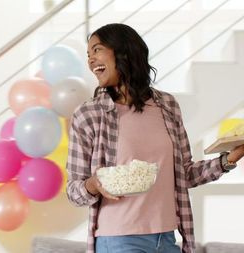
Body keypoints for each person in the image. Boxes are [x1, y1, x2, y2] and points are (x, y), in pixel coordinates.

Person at [66, 23, 244, 253]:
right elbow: (74, 192)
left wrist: (229, 159)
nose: (90, 60)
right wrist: (94, 184)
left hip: (166, 238)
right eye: (88, 54)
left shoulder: (167, 106)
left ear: (124, 52)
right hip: (120, 239)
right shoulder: (88, 115)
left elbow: (184, 174)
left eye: (97, 50)